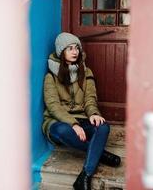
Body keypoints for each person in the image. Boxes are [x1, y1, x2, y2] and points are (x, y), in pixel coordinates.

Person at [42, 32, 121, 190]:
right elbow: (53, 106)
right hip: (58, 123)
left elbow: (90, 99)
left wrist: (93, 114)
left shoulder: (86, 72)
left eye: (76, 47)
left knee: (103, 126)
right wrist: (73, 124)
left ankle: (85, 176)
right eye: (69, 48)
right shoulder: (51, 76)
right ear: (61, 52)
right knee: (64, 130)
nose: (74, 51)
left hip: (83, 119)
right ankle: (101, 154)